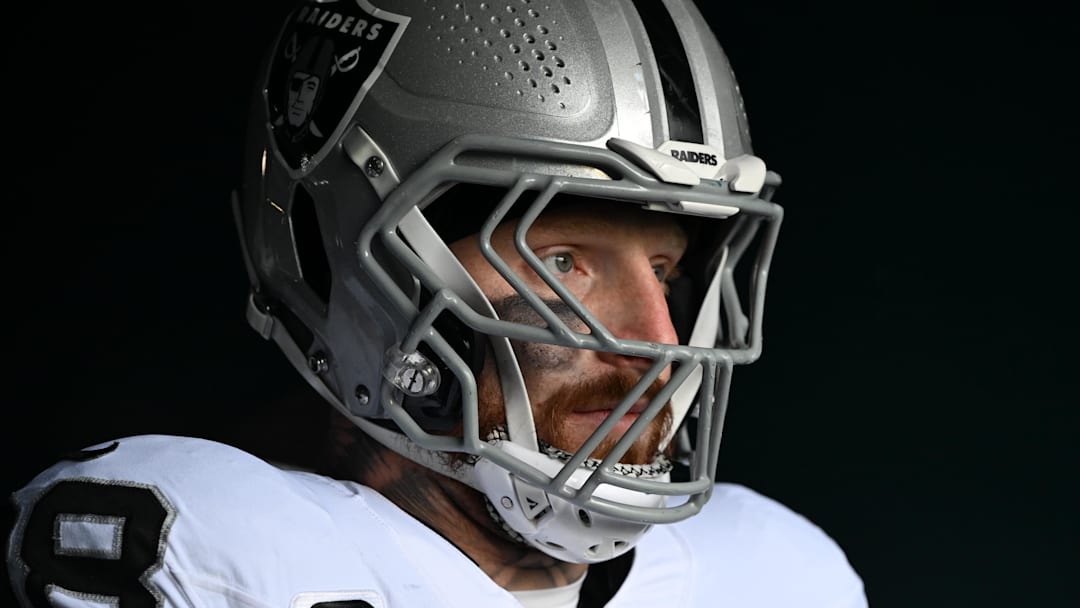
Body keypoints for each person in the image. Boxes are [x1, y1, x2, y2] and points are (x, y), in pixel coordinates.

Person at [6, 1, 868, 606]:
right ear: (331, 257)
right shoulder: (223, 552)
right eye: (561, 261)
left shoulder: (774, 577)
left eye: (667, 271)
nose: (652, 340)